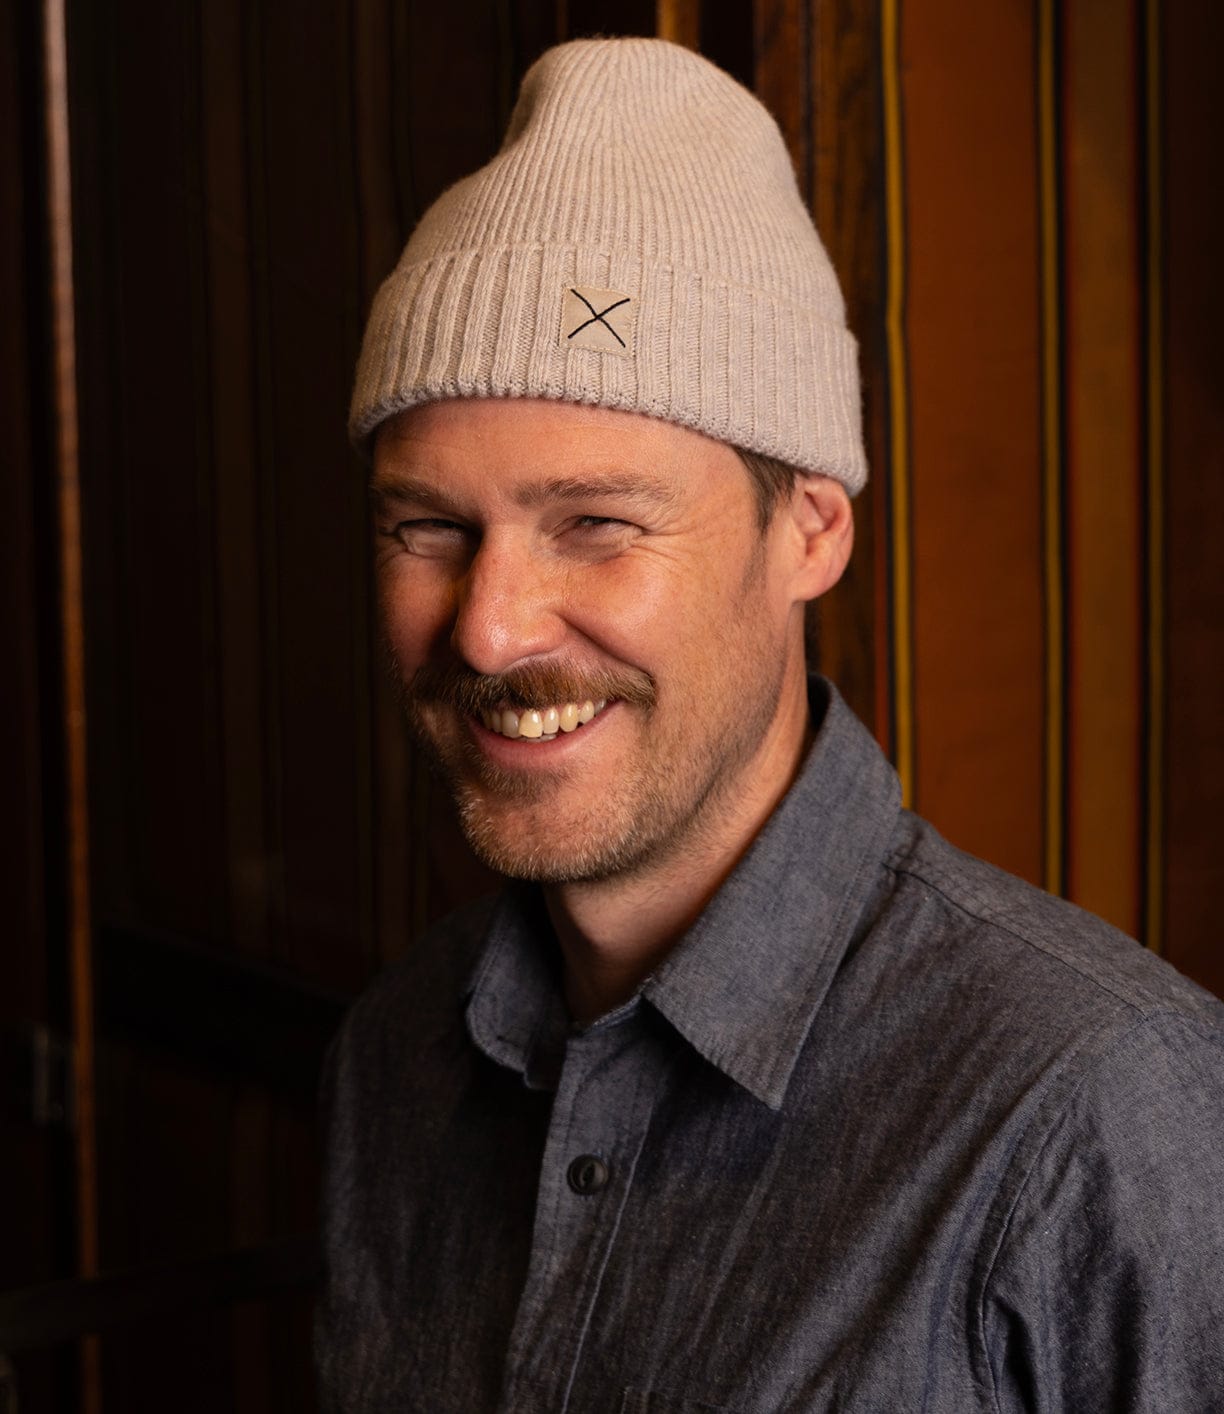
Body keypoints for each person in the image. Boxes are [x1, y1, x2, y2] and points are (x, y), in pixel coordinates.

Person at [316, 37, 1224, 1413]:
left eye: (599, 524)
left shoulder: (1101, 1115)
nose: (490, 627)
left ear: (808, 530)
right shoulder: (394, 1061)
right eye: (428, 527)